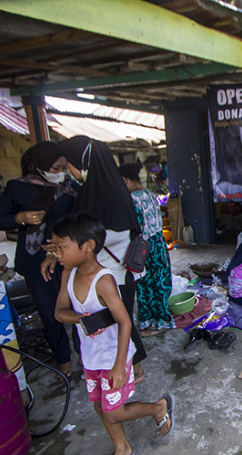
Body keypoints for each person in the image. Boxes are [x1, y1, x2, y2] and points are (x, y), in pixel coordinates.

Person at [51, 213, 173, 455]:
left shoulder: (104, 280)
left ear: (87, 246)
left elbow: (124, 321)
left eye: (61, 247)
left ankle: (157, 407)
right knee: (99, 407)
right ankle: (122, 448)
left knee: (113, 412)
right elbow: (59, 312)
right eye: (55, 247)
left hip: (114, 356)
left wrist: (120, 365)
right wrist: (81, 318)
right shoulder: (67, 274)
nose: (56, 253)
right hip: (91, 357)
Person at [42, 135, 147, 383]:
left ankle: (130, 370)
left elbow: (99, 236)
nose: (68, 169)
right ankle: (132, 368)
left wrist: (61, 247)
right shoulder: (103, 190)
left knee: (118, 322)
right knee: (118, 321)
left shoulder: (103, 195)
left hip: (114, 274)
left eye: (70, 163)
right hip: (114, 271)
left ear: (83, 161)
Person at [0, 141, 76, 377]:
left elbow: (79, 219)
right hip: (35, 259)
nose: (60, 172)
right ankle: (63, 362)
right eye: (56, 167)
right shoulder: (19, 188)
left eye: (63, 167)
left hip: (68, 256)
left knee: (79, 307)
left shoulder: (70, 187)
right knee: (50, 313)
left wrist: (58, 246)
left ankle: (87, 355)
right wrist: (20, 217)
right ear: (41, 165)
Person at [118, 163, 175, 336]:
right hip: (158, 244)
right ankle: (162, 319)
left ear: (126, 180)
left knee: (146, 285)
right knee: (160, 282)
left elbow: (136, 227)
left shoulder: (133, 199)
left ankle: (151, 324)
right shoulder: (150, 194)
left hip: (144, 248)